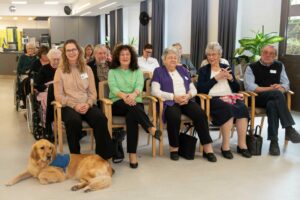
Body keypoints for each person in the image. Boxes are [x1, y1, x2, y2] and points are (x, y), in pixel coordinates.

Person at [151, 47, 217, 162]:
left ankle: (207, 148)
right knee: (173, 116)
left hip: (186, 100)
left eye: (175, 57)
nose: (173, 60)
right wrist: (173, 97)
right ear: (164, 59)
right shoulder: (158, 71)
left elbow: (193, 88)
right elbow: (155, 91)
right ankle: (174, 148)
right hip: (170, 101)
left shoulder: (183, 70)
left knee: (200, 114)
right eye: (170, 57)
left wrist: (189, 96)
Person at [53, 39, 113, 160]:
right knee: (73, 121)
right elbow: (58, 95)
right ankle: (76, 158)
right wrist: (74, 105)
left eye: (73, 49)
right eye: (68, 50)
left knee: (100, 118)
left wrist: (88, 103)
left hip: (87, 104)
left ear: (79, 51)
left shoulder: (87, 69)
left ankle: (102, 158)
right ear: (64, 53)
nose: (71, 53)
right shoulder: (60, 71)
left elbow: (92, 92)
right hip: (68, 106)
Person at [108, 44, 161, 169]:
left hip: (134, 102)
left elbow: (139, 86)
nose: (125, 57)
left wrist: (132, 95)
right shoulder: (112, 71)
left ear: (131, 57)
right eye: (122, 54)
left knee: (132, 115)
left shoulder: (137, 71)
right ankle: (150, 128)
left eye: (127, 54)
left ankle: (132, 154)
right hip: (118, 102)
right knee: (133, 109)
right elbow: (113, 88)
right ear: (117, 57)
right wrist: (126, 97)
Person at [197, 42, 252, 159]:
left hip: (229, 96)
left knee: (243, 108)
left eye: (214, 55)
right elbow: (201, 89)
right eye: (209, 55)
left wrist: (231, 78)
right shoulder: (203, 70)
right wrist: (216, 78)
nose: (211, 57)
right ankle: (225, 146)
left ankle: (242, 145)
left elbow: (237, 88)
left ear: (219, 55)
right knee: (228, 108)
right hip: (212, 98)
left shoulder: (226, 67)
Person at [244, 45, 300, 155]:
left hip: (273, 98)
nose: (268, 55)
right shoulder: (251, 67)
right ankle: (289, 128)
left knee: (273, 105)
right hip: (257, 97)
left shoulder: (279, 65)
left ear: (275, 56)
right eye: (265, 52)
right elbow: (250, 87)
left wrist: (282, 88)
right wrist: (271, 88)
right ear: (261, 53)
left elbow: (286, 83)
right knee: (277, 94)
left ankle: (274, 142)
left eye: (271, 53)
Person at [17, 42, 37, 108]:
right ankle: (23, 100)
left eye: (32, 48)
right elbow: (19, 69)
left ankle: (35, 99)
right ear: (26, 49)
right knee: (25, 82)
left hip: (34, 75)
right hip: (24, 75)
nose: (30, 50)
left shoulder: (36, 57)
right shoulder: (22, 57)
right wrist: (25, 72)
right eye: (29, 48)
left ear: (35, 49)